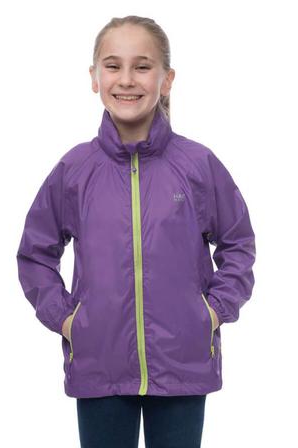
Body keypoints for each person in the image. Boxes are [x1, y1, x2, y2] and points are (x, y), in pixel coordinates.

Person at [16, 15, 256, 448]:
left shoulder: (198, 166)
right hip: (99, 365)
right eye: (113, 66)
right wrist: (68, 321)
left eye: (142, 66)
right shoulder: (74, 170)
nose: (127, 79)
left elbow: (238, 243)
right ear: (94, 77)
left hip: (182, 366)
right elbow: (35, 254)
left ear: (167, 80)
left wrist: (212, 312)